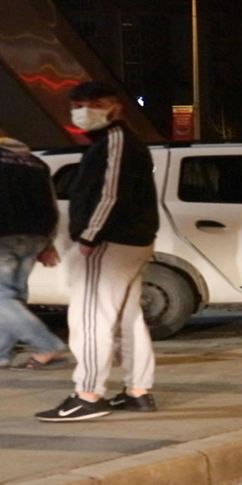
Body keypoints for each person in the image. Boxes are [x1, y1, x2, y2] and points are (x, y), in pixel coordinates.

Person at [35, 81, 160, 422]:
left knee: (90, 318)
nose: (83, 109)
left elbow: (109, 193)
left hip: (110, 243)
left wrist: (89, 237)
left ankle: (88, 395)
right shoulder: (113, 141)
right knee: (127, 319)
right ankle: (138, 391)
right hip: (126, 241)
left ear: (114, 105)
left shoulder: (116, 141)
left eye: (92, 102)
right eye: (78, 103)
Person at [0, 137, 66, 369]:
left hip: (3, 236)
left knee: (2, 298)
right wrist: (48, 242)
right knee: (12, 297)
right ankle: (2, 354)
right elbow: (51, 204)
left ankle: (48, 345)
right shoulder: (37, 163)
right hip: (35, 237)